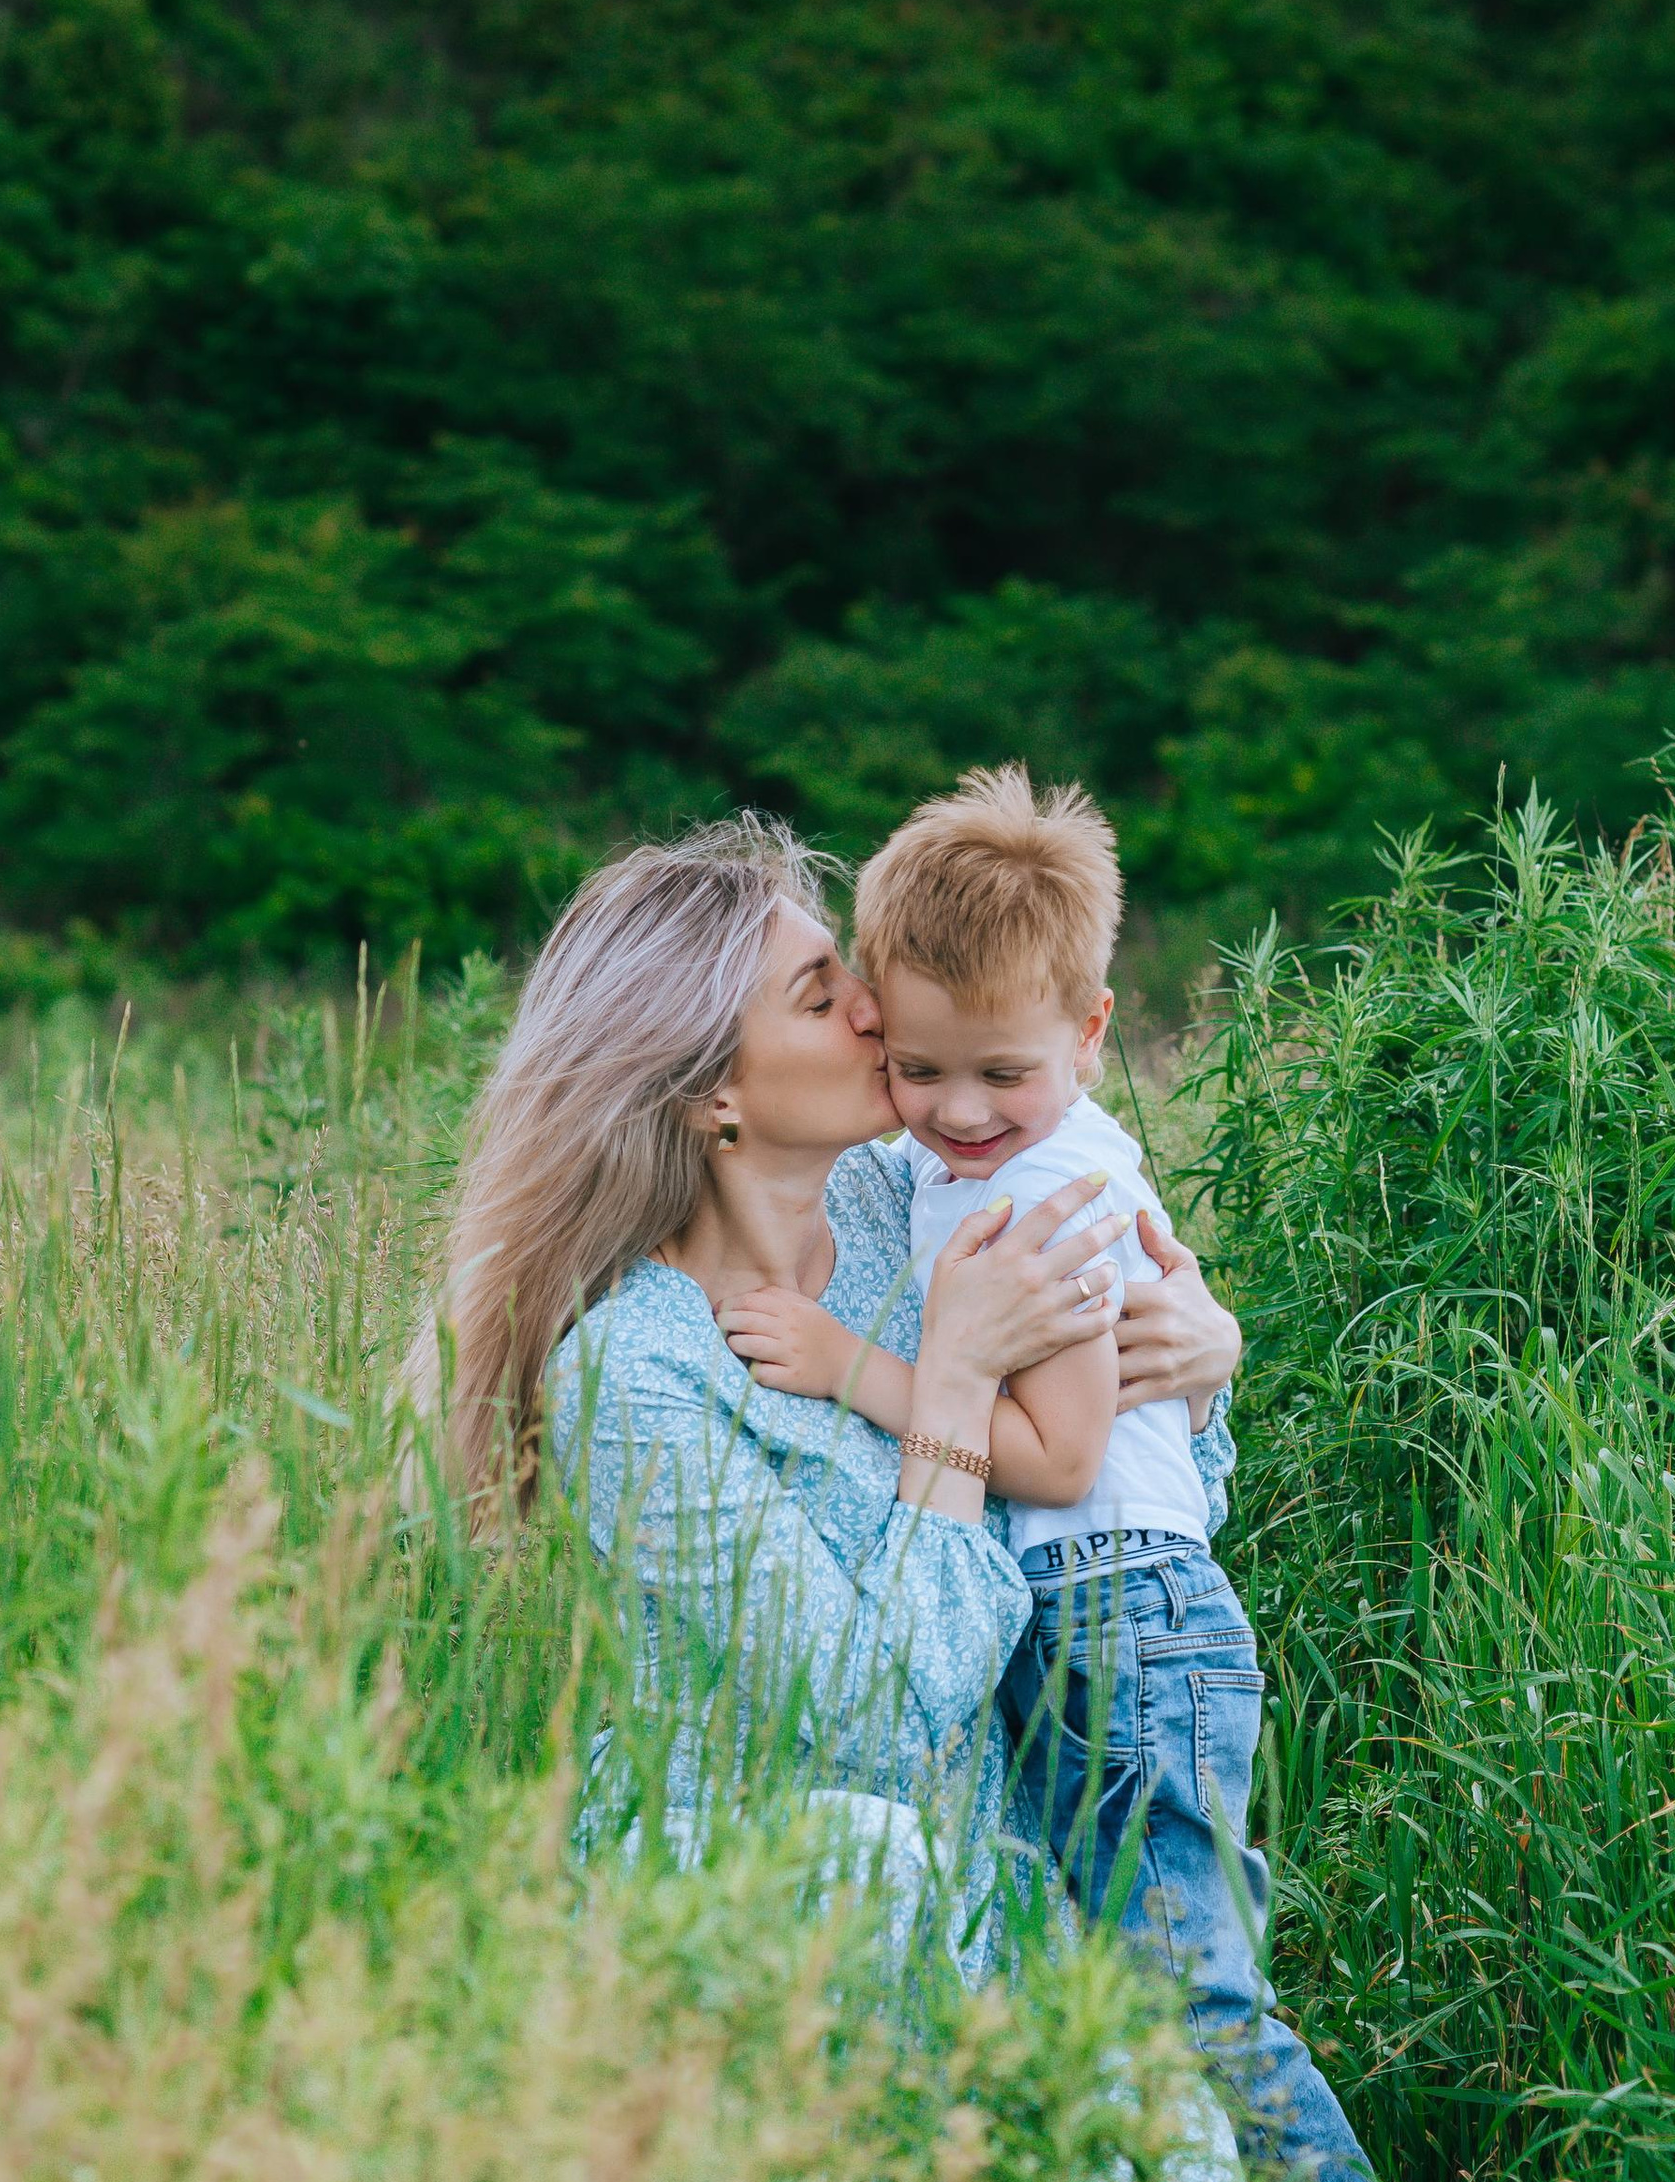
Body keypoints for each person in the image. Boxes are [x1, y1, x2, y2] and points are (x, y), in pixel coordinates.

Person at [725, 765, 1502, 2182]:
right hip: (1077, 1619)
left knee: (1193, 1997)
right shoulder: (967, 1163)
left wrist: (851, 1362)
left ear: (1087, 1037)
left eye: (997, 1072)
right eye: (922, 1067)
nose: (951, 1107)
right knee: (1138, 1991)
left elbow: (1066, 1455)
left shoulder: (1051, 1187)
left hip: (1120, 1621)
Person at [411, 815, 1242, 1965]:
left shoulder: (905, 1201)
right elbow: (879, 1722)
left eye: (848, 974)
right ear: (710, 1093)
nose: (872, 1008)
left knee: (1201, 2116)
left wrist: (1196, 1373)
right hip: (785, 1913)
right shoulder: (635, 1372)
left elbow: (1118, 1504)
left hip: (1008, 1884)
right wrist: (944, 1388)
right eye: (817, 996)